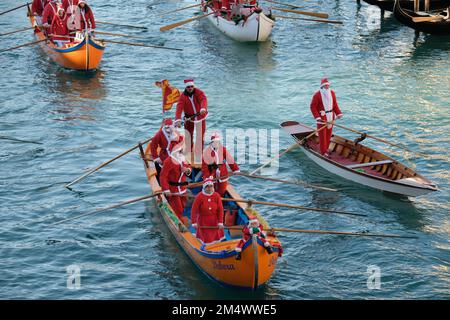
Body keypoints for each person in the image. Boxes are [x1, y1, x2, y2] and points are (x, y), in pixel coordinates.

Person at [175, 79, 208, 162]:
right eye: (188, 87)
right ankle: (188, 152)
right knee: (188, 135)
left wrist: (203, 107)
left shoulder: (199, 92)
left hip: (200, 117)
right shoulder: (182, 97)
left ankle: (199, 154)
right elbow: (179, 107)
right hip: (189, 118)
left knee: (200, 136)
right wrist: (178, 120)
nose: (190, 88)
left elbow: (203, 99)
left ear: (194, 86)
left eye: (191, 86)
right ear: (186, 88)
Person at [309, 78, 343, 157]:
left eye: (328, 85)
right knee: (322, 136)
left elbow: (335, 105)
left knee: (328, 134)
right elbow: (312, 106)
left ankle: (326, 149)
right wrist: (317, 117)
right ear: (322, 86)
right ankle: (323, 152)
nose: (327, 87)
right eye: (325, 85)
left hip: (331, 116)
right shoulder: (317, 95)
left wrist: (338, 113)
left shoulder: (332, 93)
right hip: (322, 118)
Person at [159, 142, 192, 221]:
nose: (182, 152)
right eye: (180, 151)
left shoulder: (183, 158)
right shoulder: (168, 161)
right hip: (173, 190)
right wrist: (166, 189)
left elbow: (189, 167)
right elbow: (163, 176)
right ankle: (179, 222)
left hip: (183, 188)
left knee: (183, 204)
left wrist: (187, 170)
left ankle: (180, 216)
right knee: (178, 209)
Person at [202, 132, 239, 196]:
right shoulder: (206, 152)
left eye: (217, 142)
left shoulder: (223, 149)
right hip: (211, 174)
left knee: (222, 190)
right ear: (211, 143)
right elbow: (205, 167)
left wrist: (235, 169)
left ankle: (220, 198)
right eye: (214, 142)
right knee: (211, 190)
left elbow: (230, 160)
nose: (216, 144)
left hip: (222, 173)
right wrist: (207, 177)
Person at [191, 177, 225, 245]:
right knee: (206, 237)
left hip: (214, 220)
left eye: (211, 186)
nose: (210, 188)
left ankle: (217, 245)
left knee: (216, 235)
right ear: (204, 187)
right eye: (207, 187)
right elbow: (194, 210)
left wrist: (220, 222)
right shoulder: (199, 196)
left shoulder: (217, 196)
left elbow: (220, 210)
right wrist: (194, 222)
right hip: (203, 221)